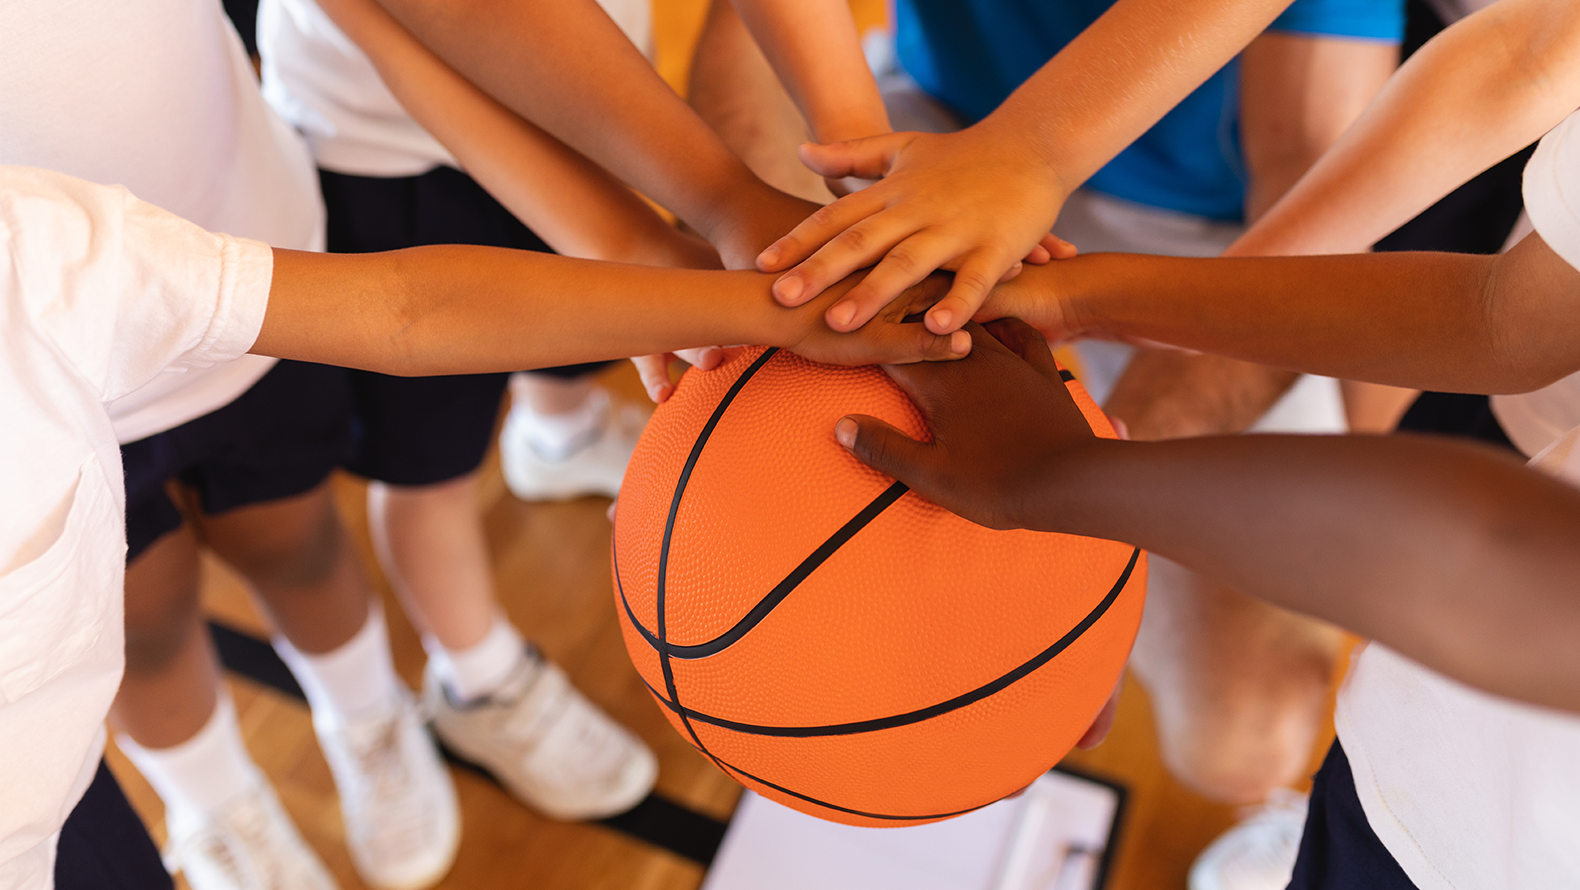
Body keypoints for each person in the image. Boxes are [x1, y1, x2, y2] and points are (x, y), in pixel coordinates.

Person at [0, 161, 961, 890]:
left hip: (65, 806)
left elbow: (406, 310)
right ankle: (217, 801)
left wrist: (765, 309)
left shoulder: (33, 247)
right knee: (150, 619)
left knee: (285, 548)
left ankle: (369, 721)